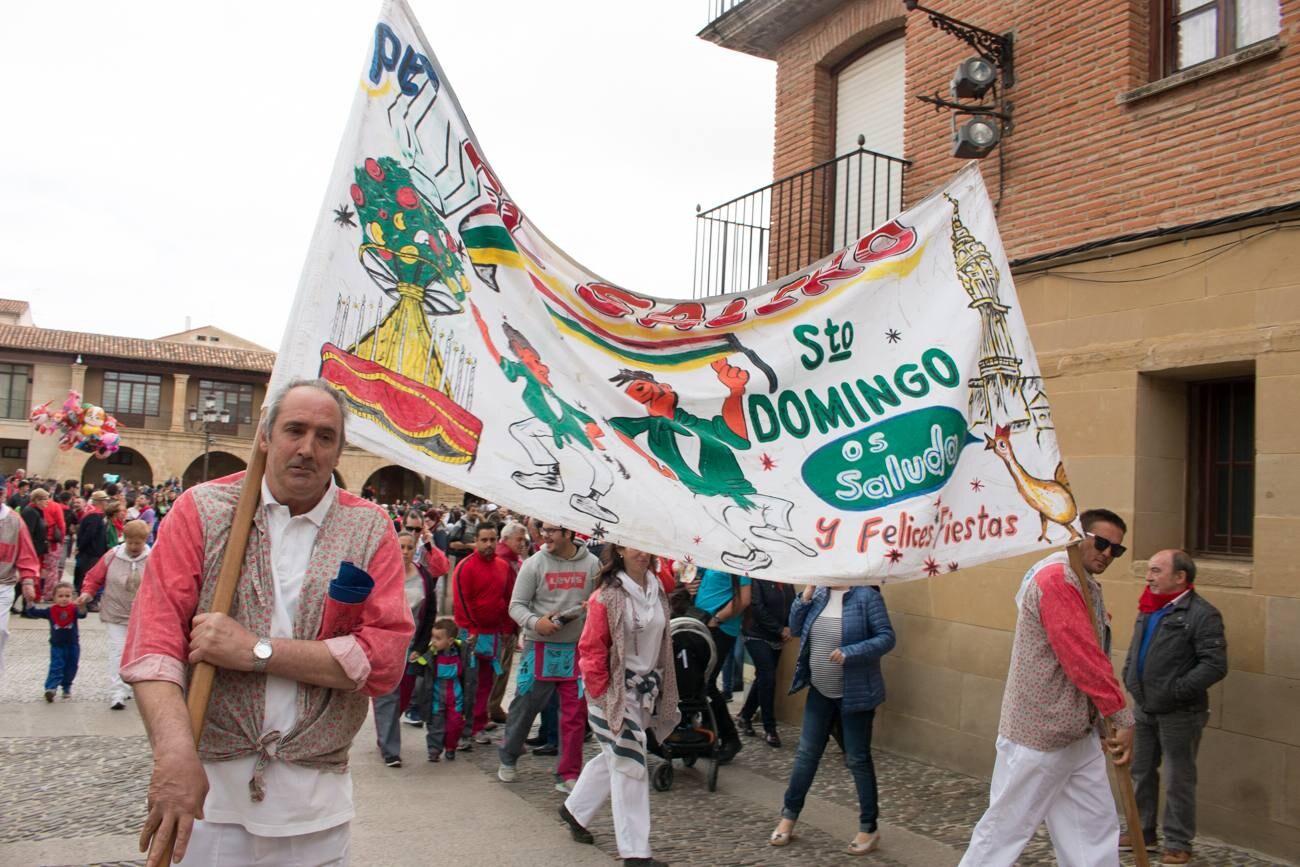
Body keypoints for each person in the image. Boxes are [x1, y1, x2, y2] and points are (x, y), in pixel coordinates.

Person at [120, 378, 413, 867]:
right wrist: (172, 755)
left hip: (314, 803)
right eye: (294, 430)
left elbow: (382, 662)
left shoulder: (370, 527)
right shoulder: (202, 510)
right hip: (207, 795)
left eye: (325, 436)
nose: (306, 448)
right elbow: (153, 646)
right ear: (264, 435)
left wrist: (256, 651)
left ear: (340, 450)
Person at [960, 508, 1136, 867]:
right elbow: (1082, 656)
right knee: (1005, 830)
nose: (1106, 553)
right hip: (1039, 733)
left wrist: (1101, 719)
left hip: (1076, 732)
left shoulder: (1078, 578)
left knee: (1093, 830)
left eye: (1116, 550)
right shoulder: (1057, 578)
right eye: (1101, 543)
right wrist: (1120, 715)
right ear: (1078, 535)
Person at [560, 544, 678, 867]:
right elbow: (591, 649)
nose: (642, 552)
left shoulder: (657, 588)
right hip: (610, 694)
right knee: (630, 764)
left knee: (615, 755)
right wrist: (601, 694)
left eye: (647, 545)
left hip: (643, 694)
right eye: (633, 545)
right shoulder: (606, 596)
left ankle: (574, 810)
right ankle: (635, 853)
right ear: (620, 550)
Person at [769, 582, 894, 855]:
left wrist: (852, 651)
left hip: (856, 693)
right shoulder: (820, 594)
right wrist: (805, 597)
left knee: (858, 759)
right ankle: (789, 816)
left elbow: (886, 637)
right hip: (820, 690)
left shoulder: (866, 597)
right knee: (806, 754)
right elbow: (796, 628)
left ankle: (868, 828)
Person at [1120, 549, 1227, 865]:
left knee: (1179, 777)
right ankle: (1143, 831)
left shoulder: (1202, 614)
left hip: (1181, 711)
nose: (1148, 576)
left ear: (1180, 577)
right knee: (1140, 771)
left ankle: (1178, 841)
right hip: (1145, 708)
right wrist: (1130, 677)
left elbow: (1215, 664)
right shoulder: (1149, 607)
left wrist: (1177, 691)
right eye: (1149, 570)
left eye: (1156, 571)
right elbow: (1136, 650)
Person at [497, 522, 600, 792]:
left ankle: (568, 773)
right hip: (538, 647)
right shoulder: (534, 564)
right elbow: (516, 606)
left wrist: (593, 610)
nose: (546, 535)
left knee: (574, 714)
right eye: (544, 529)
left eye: (553, 530)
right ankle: (508, 757)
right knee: (524, 707)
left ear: (569, 533)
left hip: (576, 649)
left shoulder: (592, 564)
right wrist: (534, 622)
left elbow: (600, 601)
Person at [371, 530, 447, 767]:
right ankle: (390, 750)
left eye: (409, 547)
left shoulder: (423, 575)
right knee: (386, 696)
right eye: (400, 547)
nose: (404, 552)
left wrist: (423, 645)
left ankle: (385, 732)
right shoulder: (383, 572)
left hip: (412, 645)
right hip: (386, 644)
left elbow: (431, 610)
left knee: (404, 695)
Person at [450, 521, 513, 746]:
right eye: (484, 540)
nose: (488, 544)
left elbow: (507, 600)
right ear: (476, 541)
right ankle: (459, 729)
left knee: (486, 682)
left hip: (493, 634)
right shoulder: (465, 567)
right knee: (466, 682)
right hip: (470, 634)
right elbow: (461, 602)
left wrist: (507, 628)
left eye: (492, 539)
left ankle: (477, 725)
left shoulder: (504, 567)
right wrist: (472, 629)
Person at [78, 519, 152, 709]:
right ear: (124, 539)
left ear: (145, 540)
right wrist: (87, 593)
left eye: (138, 543)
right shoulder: (112, 556)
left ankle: (131, 687)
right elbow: (94, 577)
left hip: (142, 614)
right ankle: (117, 693)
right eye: (130, 542)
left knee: (137, 654)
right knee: (117, 651)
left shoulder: (154, 558)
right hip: (115, 612)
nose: (134, 547)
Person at [694, 567, 751, 762]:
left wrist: (718, 619)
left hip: (720, 628)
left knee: (707, 684)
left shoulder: (739, 561)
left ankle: (730, 739)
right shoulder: (714, 553)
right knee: (699, 683)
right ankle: (709, 736)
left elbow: (744, 598)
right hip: (704, 623)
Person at [738, 577, 796, 747]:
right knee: (768, 677)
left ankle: (745, 716)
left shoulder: (787, 580)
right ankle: (770, 728)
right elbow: (757, 607)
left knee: (764, 678)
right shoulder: (757, 578)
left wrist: (789, 628)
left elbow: (792, 605)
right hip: (755, 634)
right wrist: (779, 629)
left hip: (777, 637)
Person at [488, 520, 529, 724]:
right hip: (504, 625)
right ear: (506, 539)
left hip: (509, 624)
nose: (523, 543)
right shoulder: (504, 560)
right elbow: (503, 597)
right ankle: (490, 708)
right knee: (498, 669)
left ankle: (493, 707)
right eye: (519, 539)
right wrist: (507, 627)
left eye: (524, 539)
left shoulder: (513, 559)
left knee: (502, 669)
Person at [415, 618, 470, 761]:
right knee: (435, 726)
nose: (433, 641)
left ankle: (451, 747)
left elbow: (468, 675)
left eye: (438, 638)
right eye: (433, 637)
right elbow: (419, 670)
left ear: (450, 641)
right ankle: (434, 750)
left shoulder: (461, 653)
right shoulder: (430, 655)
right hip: (436, 698)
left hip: (455, 697)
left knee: (455, 725)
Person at [23, 581, 87, 700]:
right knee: (56, 666)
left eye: (67, 596)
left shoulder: (73, 609)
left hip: (72, 644)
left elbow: (82, 615)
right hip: (57, 645)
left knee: (71, 666)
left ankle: (66, 686)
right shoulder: (50, 611)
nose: (64, 599)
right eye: (60, 596)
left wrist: (82, 606)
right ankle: (51, 688)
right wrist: (29, 601)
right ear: (54, 598)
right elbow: (34, 612)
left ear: (72, 597)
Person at [0, 494, 40, 676]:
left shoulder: (15, 521)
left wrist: (28, 581)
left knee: (0, 631)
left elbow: (26, 553)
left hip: (3, 584)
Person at [74, 491, 109, 595]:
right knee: (89, 576)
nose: (107, 504)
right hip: (91, 553)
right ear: (101, 502)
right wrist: (80, 548)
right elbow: (89, 535)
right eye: (106, 501)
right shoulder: (94, 515)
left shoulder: (92, 513)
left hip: (91, 552)